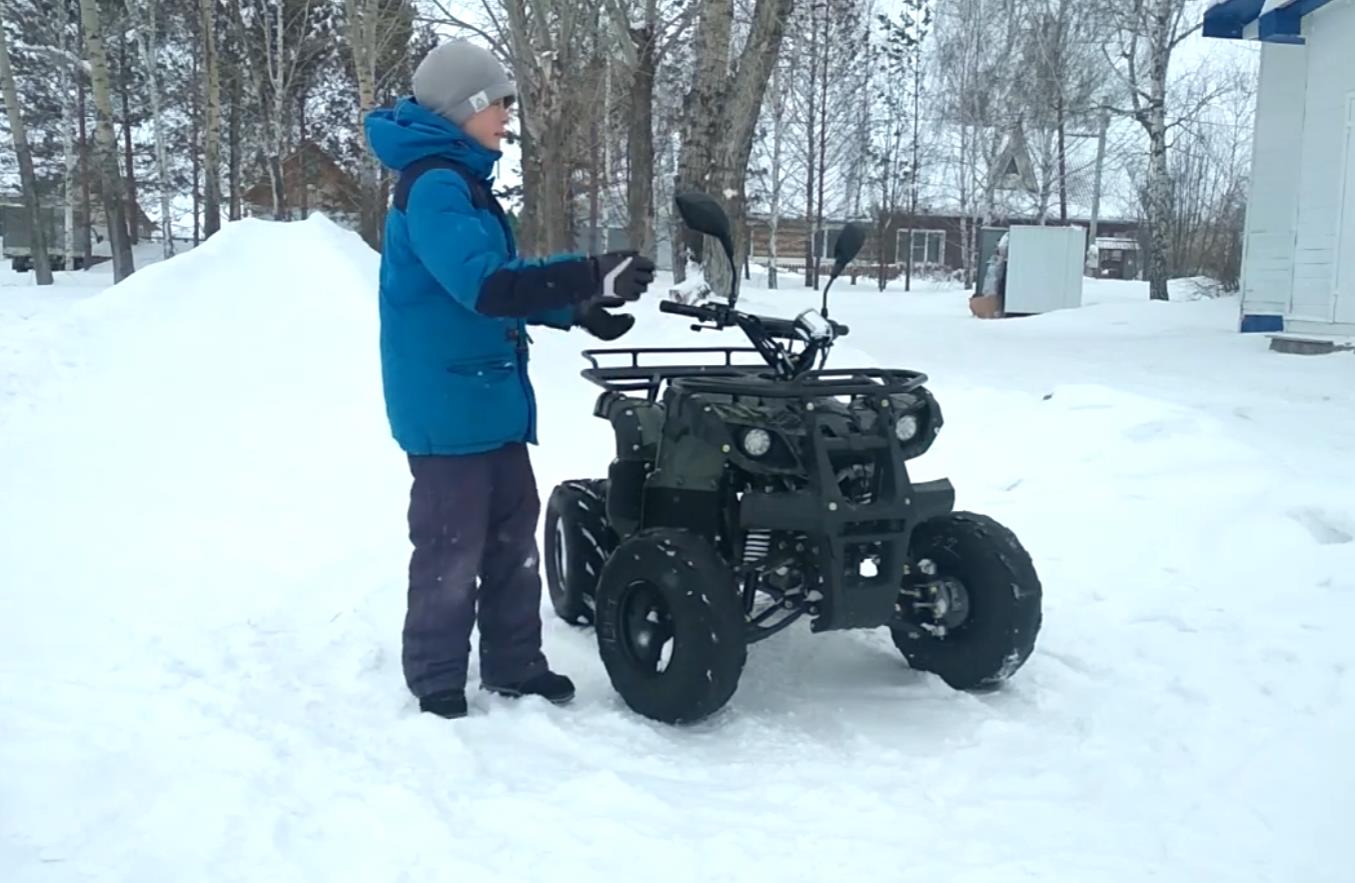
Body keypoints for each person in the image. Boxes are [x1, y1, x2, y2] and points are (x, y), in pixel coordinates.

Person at [363, 39, 657, 720]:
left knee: (511, 540)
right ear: (463, 107)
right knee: (451, 546)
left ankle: (514, 663)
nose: (505, 116)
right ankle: (437, 675)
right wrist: (587, 274)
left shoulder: (462, 183)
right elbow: (484, 285)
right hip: (447, 404)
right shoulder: (434, 186)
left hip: (489, 396)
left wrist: (577, 309)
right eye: (496, 103)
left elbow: (502, 289)